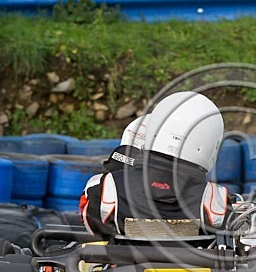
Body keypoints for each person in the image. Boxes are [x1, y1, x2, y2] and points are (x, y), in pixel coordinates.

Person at [80, 91, 229, 238]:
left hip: (126, 255)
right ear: (211, 142)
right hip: (191, 255)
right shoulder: (215, 200)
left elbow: (93, 228)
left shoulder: (107, 188)